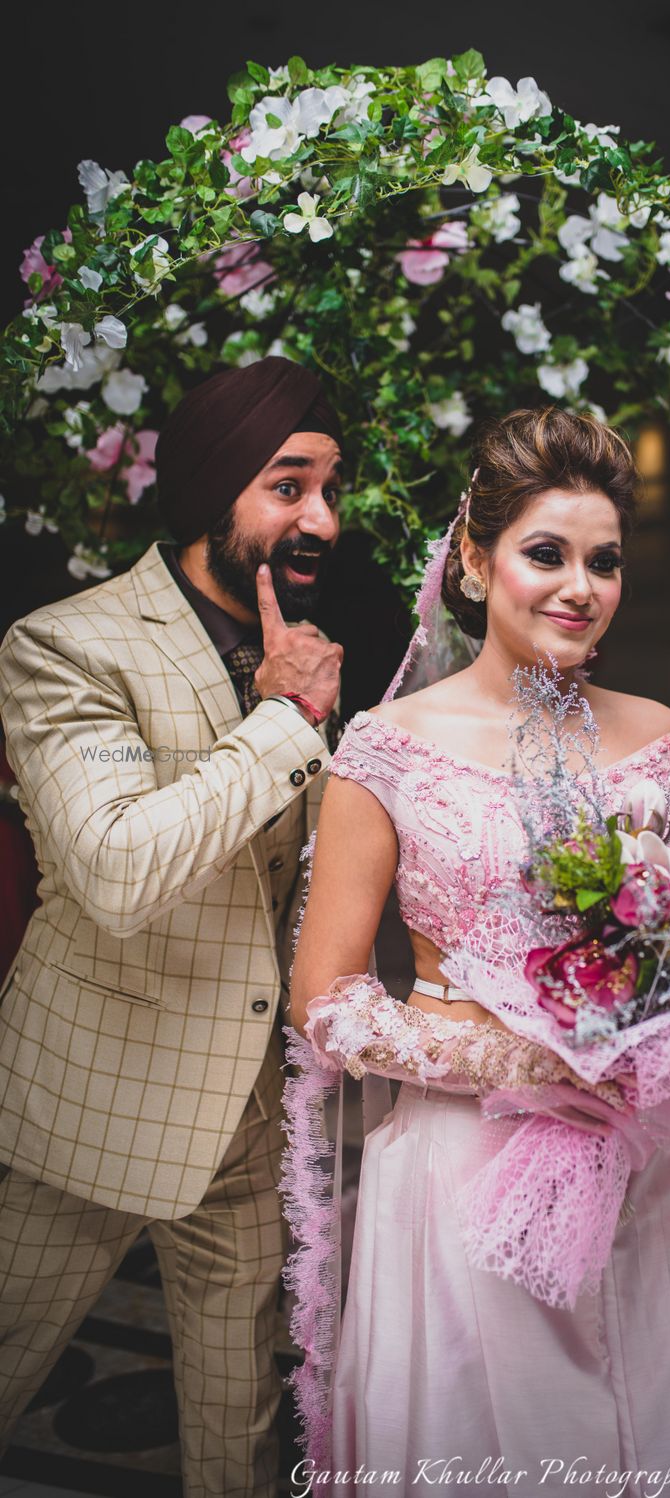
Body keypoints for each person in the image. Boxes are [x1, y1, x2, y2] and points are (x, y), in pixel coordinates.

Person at [289, 408, 670, 1496]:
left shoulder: (661, 738)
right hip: (461, 1178)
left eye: (603, 561)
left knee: (669, 1433)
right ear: (473, 561)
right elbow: (324, 1002)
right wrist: (530, 1060)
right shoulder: (385, 750)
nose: (579, 586)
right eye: (546, 554)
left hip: (662, 1167)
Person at [0, 355, 345, 1497]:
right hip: (91, 1102)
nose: (321, 519)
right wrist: (285, 721)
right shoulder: (67, 646)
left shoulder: (299, 632)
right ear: (212, 483)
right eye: (289, 485)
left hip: (247, 1114)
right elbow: (115, 867)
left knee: (237, 1421)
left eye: (329, 488)